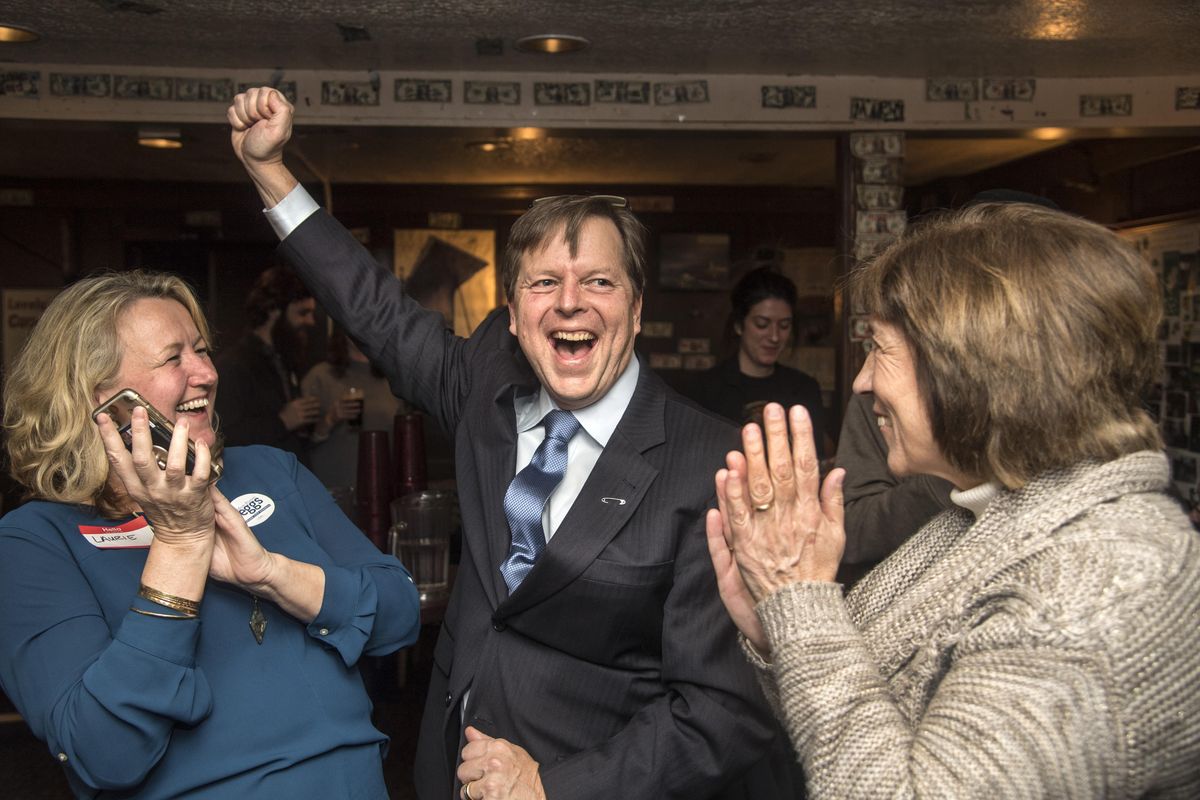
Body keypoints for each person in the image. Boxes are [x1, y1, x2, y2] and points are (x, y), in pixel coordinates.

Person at [228, 87, 772, 800]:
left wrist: (554, 786)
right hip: (446, 770)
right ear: (514, 315)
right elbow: (375, 308)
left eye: (599, 281)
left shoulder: (710, 463)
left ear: (636, 310)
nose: (570, 301)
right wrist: (270, 172)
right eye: (546, 282)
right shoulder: (484, 383)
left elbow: (720, 715)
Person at [706, 202, 1200, 797]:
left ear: (970, 369)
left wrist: (796, 598)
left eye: (881, 349)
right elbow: (867, 722)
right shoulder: (992, 509)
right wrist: (777, 634)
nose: (862, 383)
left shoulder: (1087, 598)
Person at [0, 270, 421, 798]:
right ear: (95, 398)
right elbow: (103, 753)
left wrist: (272, 575)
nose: (205, 373)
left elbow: (399, 614)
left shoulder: (270, 470)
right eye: (173, 358)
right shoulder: (34, 542)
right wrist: (179, 548)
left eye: (201, 350)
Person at [834, 190, 1061, 582]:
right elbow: (855, 531)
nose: (862, 383)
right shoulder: (881, 403)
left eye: (881, 347)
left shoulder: (1097, 552)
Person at [690, 267, 828, 458]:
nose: (774, 336)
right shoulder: (705, 388)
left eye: (784, 326)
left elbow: (814, 458)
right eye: (762, 324)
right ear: (739, 325)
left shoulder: (804, 389)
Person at [215, 265, 321, 461]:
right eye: (302, 312)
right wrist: (283, 421)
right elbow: (225, 437)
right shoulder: (234, 365)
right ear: (274, 310)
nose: (311, 321)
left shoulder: (284, 359)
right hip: (259, 486)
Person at [301, 327, 405, 491]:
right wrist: (330, 419)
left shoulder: (392, 378)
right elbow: (299, 442)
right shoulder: (320, 376)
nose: (360, 325)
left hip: (381, 488)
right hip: (333, 491)